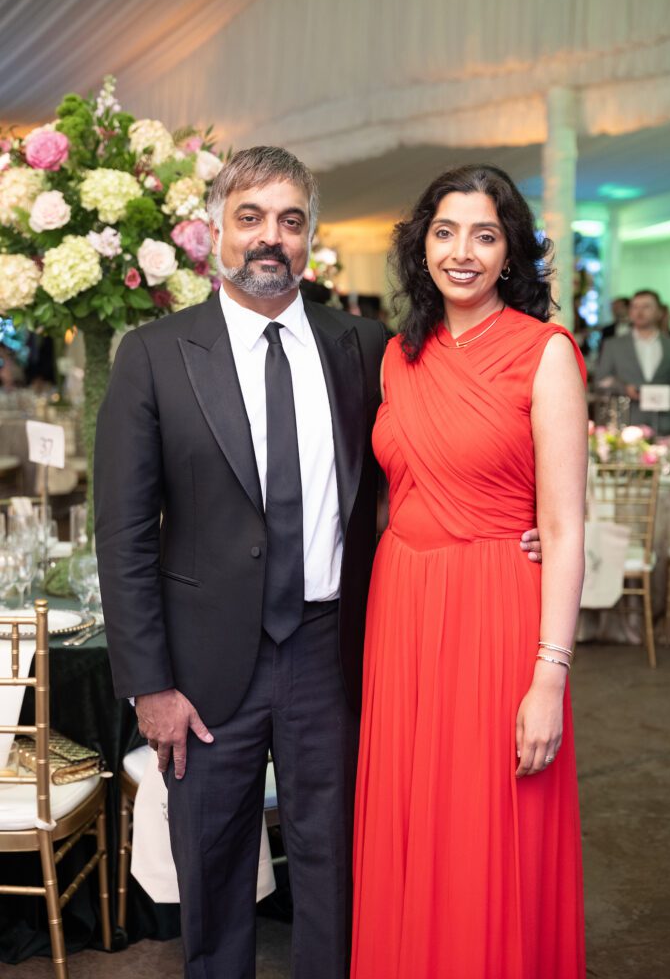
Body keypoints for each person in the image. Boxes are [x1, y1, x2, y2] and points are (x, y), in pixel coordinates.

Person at [95, 147, 543, 978]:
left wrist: (530, 522)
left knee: (336, 866)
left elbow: (437, 456)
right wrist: (149, 684)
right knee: (212, 868)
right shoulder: (154, 353)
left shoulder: (367, 346)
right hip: (201, 671)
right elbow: (122, 534)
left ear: (310, 237)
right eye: (251, 218)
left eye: (291, 221)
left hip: (333, 651)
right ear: (215, 232)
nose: (271, 237)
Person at [351, 165, 587, 979]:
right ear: (421, 246)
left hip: (493, 609)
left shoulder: (544, 354)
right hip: (401, 607)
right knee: (409, 814)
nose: (462, 252)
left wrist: (549, 675)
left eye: (484, 235)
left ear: (510, 252)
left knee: (486, 820)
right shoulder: (396, 357)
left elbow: (563, 526)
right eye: (445, 232)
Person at [595, 288, 670, 434]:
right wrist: (624, 388)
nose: (639, 312)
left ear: (659, 312)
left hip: (665, 425)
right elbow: (600, 381)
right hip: (626, 424)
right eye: (635, 307)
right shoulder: (613, 345)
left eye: (646, 306)